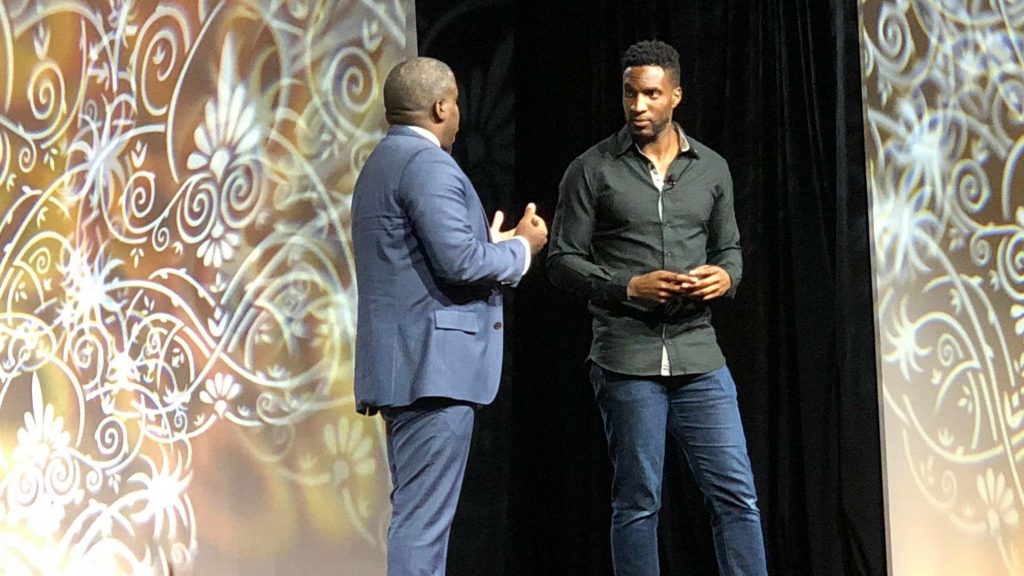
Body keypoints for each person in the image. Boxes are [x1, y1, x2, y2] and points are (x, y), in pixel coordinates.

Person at [547, 40, 768, 576]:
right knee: (638, 503)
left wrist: (726, 276)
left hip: (699, 355)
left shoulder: (711, 168)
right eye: (630, 94)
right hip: (627, 357)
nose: (638, 106)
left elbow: (730, 249)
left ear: (675, 95)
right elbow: (561, 261)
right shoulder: (592, 169)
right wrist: (629, 286)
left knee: (737, 497)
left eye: (650, 94)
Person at [351, 57, 547, 576]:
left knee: (418, 516)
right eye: (456, 101)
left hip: (411, 369)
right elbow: (459, 262)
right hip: (431, 372)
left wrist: (491, 245)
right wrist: (522, 250)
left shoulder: (383, 162)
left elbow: (439, 253)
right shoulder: (427, 164)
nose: (459, 111)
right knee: (423, 522)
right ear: (441, 106)